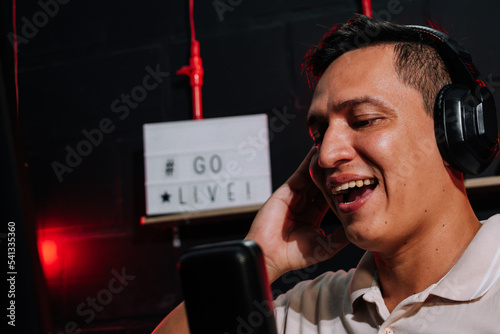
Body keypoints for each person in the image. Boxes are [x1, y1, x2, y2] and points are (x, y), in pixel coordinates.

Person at [152, 15, 500, 333]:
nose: (326, 155)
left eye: (363, 120)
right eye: (319, 134)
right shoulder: (306, 311)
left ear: (455, 132)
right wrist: (263, 258)